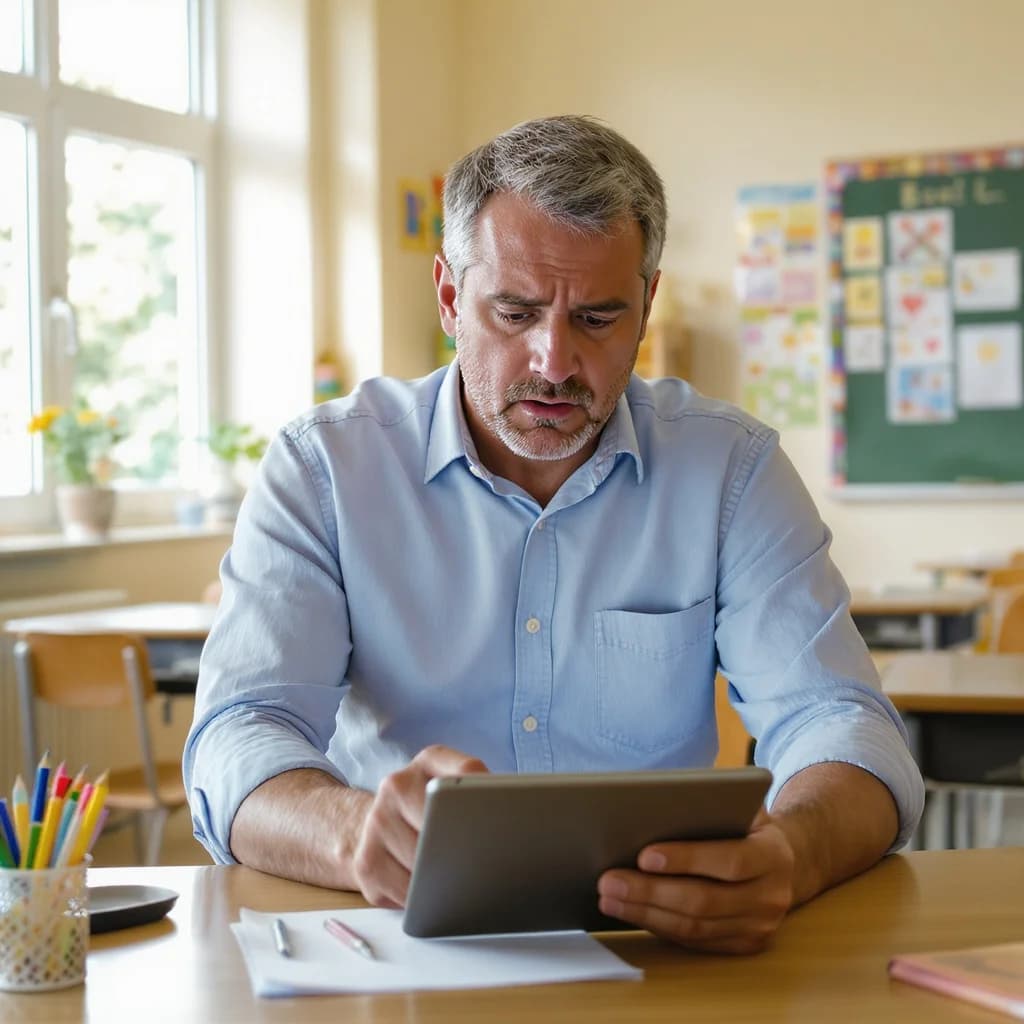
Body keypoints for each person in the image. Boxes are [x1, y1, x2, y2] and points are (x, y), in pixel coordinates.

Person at [184, 114, 923, 954]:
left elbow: (841, 722)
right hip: (393, 945)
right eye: (515, 312)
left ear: (646, 306)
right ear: (450, 297)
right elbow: (239, 735)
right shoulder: (326, 469)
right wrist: (351, 832)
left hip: (657, 948)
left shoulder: (731, 471)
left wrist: (796, 851)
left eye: (598, 319)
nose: (554, 362)